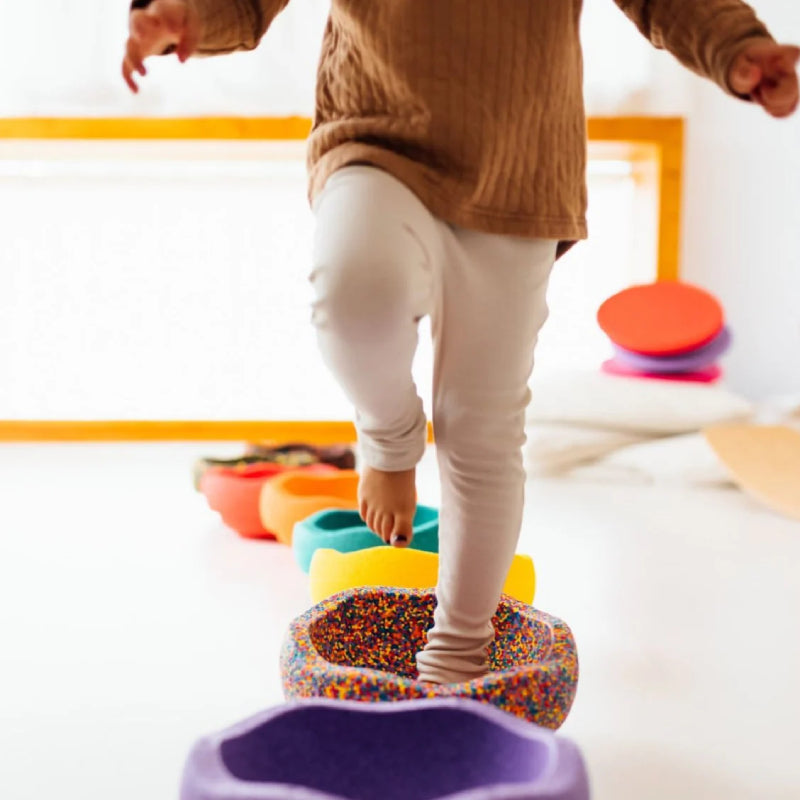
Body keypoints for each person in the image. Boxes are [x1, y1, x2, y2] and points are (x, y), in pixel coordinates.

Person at [122, 0, 799, 684]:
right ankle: (389, 436)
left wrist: (737, 49)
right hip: (378, 134)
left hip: (520, 171)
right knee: (352, 291)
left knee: (483, 429)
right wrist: (185, 15)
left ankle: (457, 656)